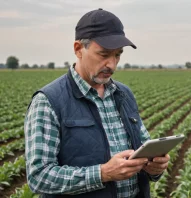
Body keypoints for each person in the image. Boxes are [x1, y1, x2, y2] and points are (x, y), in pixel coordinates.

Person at [24, 8, 169, 198]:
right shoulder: (48, 101)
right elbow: (39, 177)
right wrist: (103, 174)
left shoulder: (123, 94)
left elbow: (143, 149)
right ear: (78, 49)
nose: (112, 64)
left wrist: (155, 167)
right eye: (104, 54)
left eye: (118, 55)